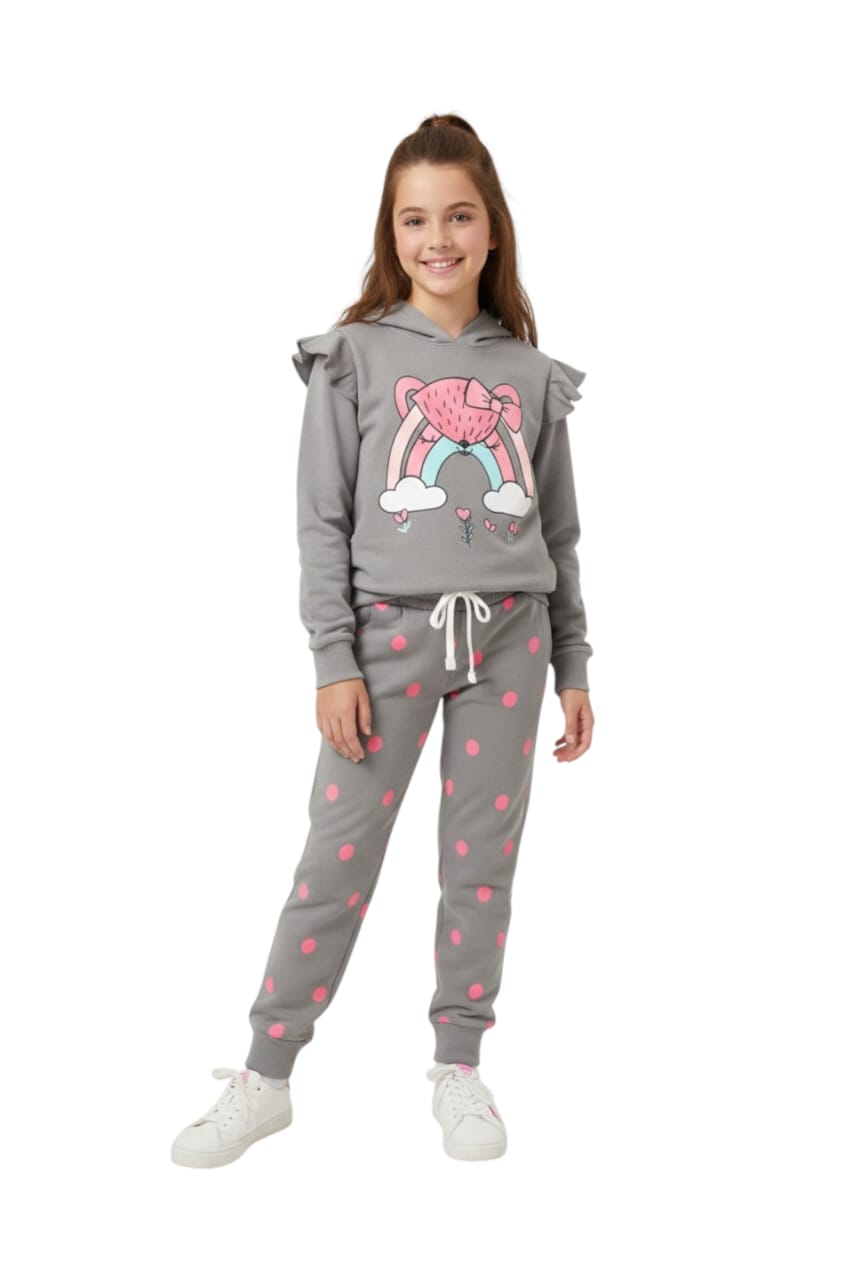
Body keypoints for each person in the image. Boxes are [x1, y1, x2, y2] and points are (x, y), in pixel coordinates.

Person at [171, 111, 595, 1169]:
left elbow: (557, 533)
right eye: (415, 219)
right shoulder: (351, 356)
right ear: (390, 231)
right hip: (386, 645)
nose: (437, 237)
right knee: (337, 857)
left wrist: (574, 662)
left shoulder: (530, 373)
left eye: (458, 215)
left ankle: (459, 1063)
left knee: (481, 864)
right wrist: (333, 661)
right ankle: (267, 1073)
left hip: (510, 643)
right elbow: (320, 522)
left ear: (491, 228)